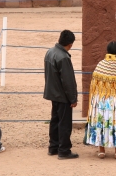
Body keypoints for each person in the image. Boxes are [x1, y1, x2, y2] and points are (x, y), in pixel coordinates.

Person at [44, 30, 79, 160]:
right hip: (63, 96)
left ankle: (53, 147)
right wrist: (73, 98)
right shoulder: (63, 57)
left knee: (55, 120)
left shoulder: (50, 52)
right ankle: (64, 150)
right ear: (70, 44)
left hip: (53, 93)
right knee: (64, 123)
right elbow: (68, 81)